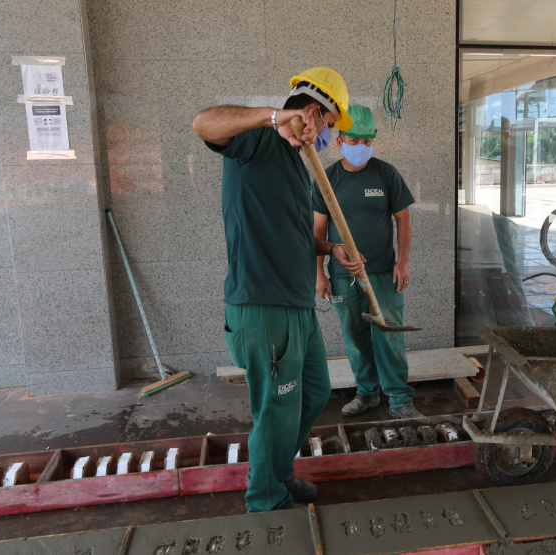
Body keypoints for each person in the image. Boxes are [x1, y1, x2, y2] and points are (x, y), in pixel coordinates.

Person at [192, 67, 364, 513]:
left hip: (296, 305)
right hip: (263, 305)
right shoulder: (259, 142)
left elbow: (294, 234)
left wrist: (331, 248)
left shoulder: (298, 161)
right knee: (276, 409)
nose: (329, 135)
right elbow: (203, 123)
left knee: (313, 392)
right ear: (312, 112)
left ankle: (277, 470)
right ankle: (267, 502)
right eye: (330, 124)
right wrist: (271, 118)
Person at [313, 104, 422, 420]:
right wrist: (318, 273)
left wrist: (402, 262)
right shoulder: (327, 178)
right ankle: (367, 392)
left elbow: (403, 220)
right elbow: (317, 231)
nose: (362, 147)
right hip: (343, 276)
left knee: (388, 335)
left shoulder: (386, 174)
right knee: (356, 337)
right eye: (355, 141)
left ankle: (400, 398)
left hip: (383, 274)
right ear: (340, 141)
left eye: (367, 142)